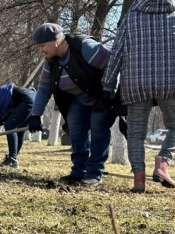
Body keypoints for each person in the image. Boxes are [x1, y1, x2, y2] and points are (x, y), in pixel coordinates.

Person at [102, 0, 175, 192]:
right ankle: (163, 164)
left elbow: (117, 51)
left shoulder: (131, 17)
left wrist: (108, 85)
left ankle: (139, 180)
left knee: (135, 131)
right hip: (173, 80)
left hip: (137, 82)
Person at [26, 23, 116, 187]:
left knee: (98, 128)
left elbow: (113, 65)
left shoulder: (86, 47)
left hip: (103, 96)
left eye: (42, 46)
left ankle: (94, 174)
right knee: (76, 129)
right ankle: (78, 171)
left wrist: (108, 91)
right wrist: (35, 115)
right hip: (80, 98)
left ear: (56, 41)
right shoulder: (51, 62)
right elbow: (44, 87)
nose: (41, 50)